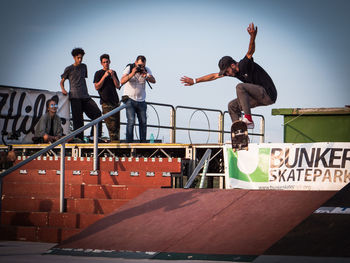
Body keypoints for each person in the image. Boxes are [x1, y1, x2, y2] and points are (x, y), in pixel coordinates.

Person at [181, 23, 277, 129]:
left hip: (268, 93)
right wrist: (195, 81)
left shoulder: (243, 64)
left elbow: (250, 51)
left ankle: (248, 120)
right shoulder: (232, 72)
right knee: (232, 106)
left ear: (233, 65)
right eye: (225, 73)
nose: (227, 74)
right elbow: (214, 76)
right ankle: (240, 134)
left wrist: (252, 36)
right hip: (258, 97)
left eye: (227, 71)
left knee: (240, 87)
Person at [60, 47, 102, 141]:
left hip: (85, 96)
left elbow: (82, 79)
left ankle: (94, 136)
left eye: (81, 58)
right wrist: (63, 89)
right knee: (78, 120)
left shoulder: (84, 66)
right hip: (75, 97)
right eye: (78, 58)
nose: (80, 59)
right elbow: (61, 81)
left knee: (97, 113)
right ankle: (79, 139)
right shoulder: (69, 69)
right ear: (74, 57)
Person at [121, 55, 156, 143]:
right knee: (131, 121)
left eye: (143, 65)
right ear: (136, 62)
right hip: (129, 99)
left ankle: (143, 143)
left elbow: (154, 80)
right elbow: (122, 81)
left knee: (143, 122)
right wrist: (133, 73)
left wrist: (146, 75)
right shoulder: (129, 67)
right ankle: (129, 143)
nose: (141, 67)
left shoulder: (146, 69)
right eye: (139, 65)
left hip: (141, 100)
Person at [93, 54, 121, 142]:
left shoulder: (114, 72)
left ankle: (116, 144)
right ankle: (113, 145)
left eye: (107, 62)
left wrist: (112, 76)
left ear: (110, 62)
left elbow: (118, 85)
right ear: (101, 63)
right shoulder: (98, 73)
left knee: (117, 126)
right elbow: (97, 86)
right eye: (104, 62)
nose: (106, 64)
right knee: (111, 126)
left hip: (115, 102)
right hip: (106, 102)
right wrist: (104, 76)